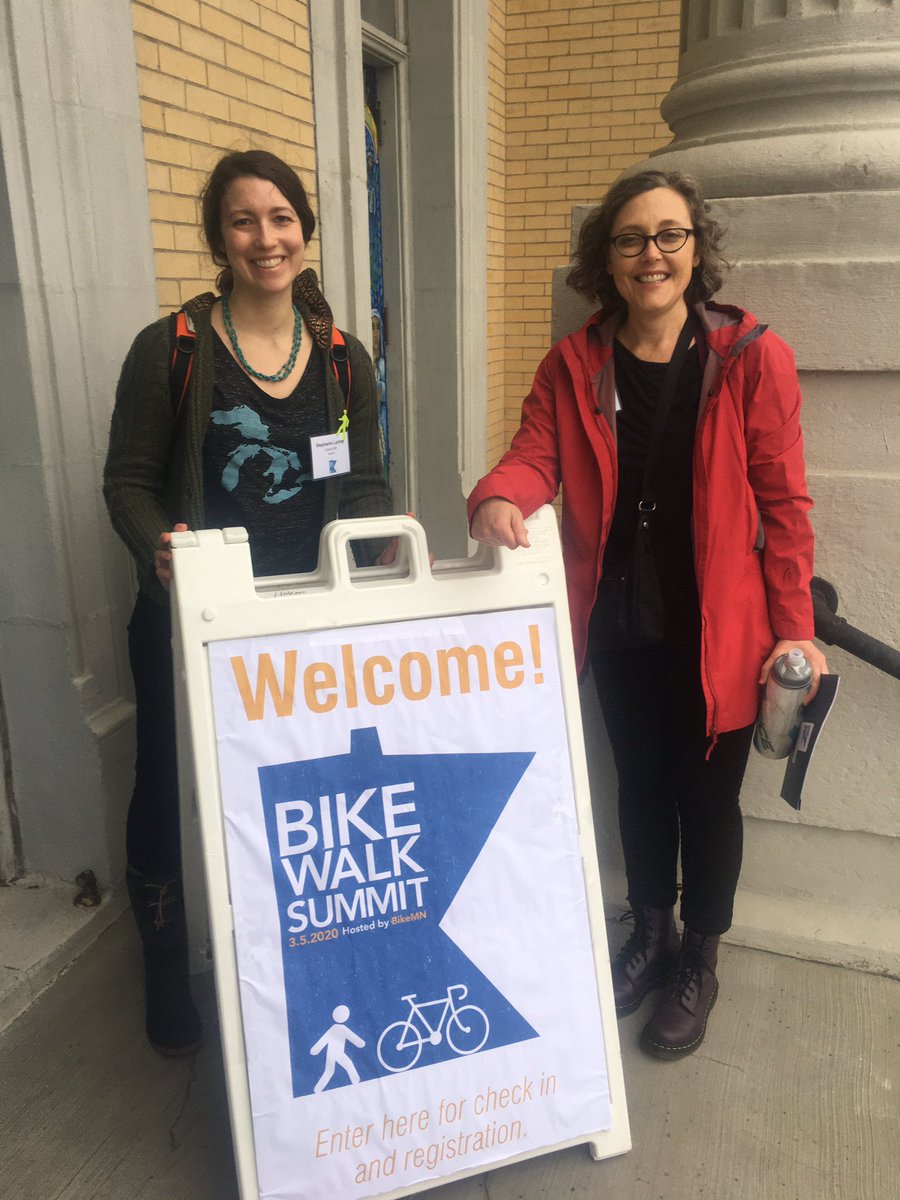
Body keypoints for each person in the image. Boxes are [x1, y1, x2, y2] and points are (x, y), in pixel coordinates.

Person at [467, 170, 827, 1060]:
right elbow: (532, 455)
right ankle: (652, 932)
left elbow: (784, 504)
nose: (652, 254)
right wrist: (497, 499)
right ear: (609, 259)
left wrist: (795, 627)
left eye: (670, 235)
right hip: (621, 623)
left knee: (708, 801)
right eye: (632, 239)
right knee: (638, 786)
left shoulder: (748, 358)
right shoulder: (576, 362)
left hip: (723, 631)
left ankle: (701, 956)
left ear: (696, 250)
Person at [105, 150, 393, 1055]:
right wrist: (161, 549)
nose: (265, 238)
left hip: (301, 618)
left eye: (280, 217)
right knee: (166, 787)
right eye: (242, 220)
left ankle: (281, 956)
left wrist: (382, 534)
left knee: (294, 792)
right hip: (191, 620)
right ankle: (162, 966)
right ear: (218, 238)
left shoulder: (344, 358)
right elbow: (127, 482)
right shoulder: (172, 350)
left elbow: (365, 480)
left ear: (305, 230)